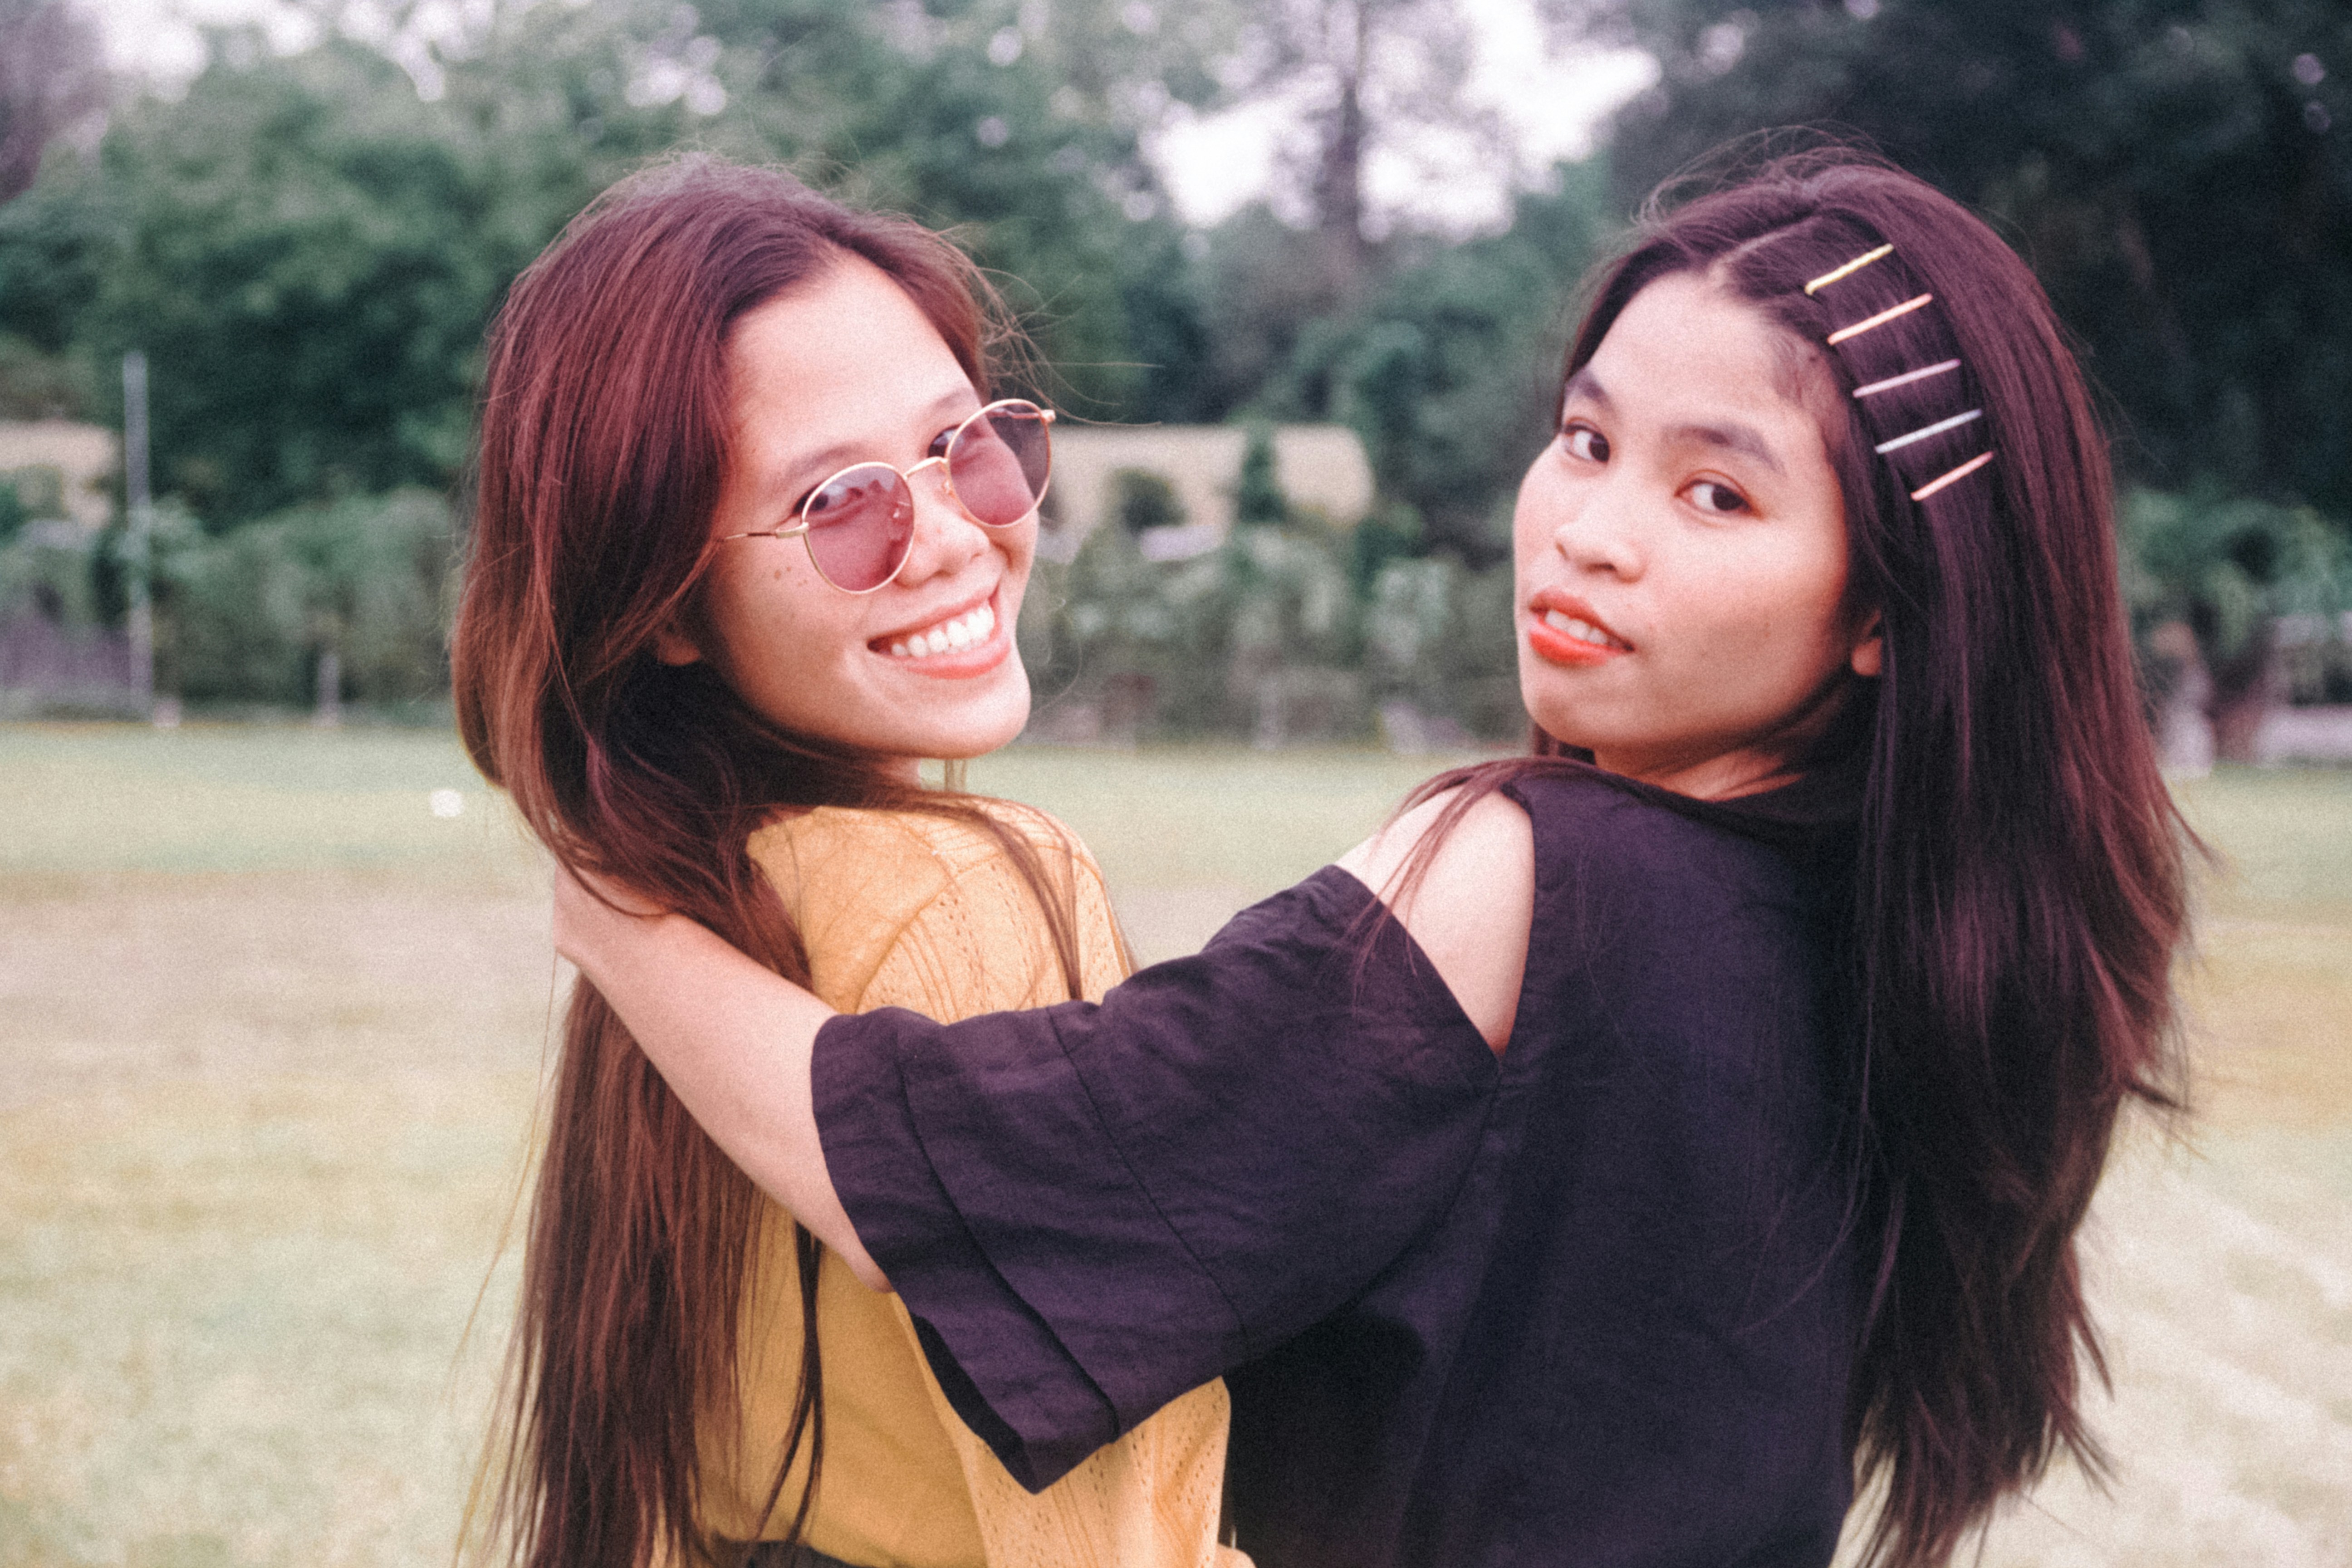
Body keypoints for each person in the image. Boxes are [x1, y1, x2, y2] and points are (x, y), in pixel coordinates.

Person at [554, 152, 2189, 1568]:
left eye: (1717, 494)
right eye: (1588, 440)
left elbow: (1010, 1186)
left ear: (1889, 609)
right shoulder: (1906, 939)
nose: (1589, 529)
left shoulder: (1538, 875)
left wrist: (618, 910)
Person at [450, 157, 1243, 1568]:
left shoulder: (688, 908)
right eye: (840, 506)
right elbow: (1118, 1522)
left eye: (971, 445)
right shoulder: (965, 891)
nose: (952, 537)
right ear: (670, 608)